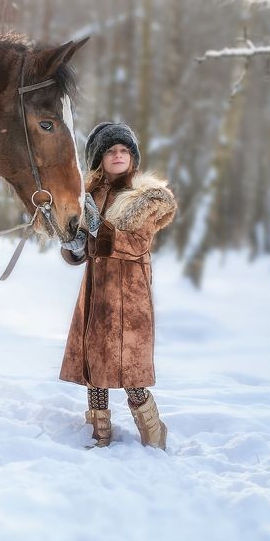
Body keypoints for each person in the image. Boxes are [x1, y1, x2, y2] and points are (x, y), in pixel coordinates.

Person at [59, 122, 177, 449]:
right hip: (97, 293)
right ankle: (99, 432)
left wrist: (101, 227)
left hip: (129, 296)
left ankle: (154, 433)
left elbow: (137, 243)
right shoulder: (88, 195)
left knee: (129, 371)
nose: (118, 155)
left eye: (124, 150)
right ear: (99, 157)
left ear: (133, 156)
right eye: (111, 150)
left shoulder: (144, 197)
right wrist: (75, 245)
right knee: (95, 366)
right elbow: (83, 247)